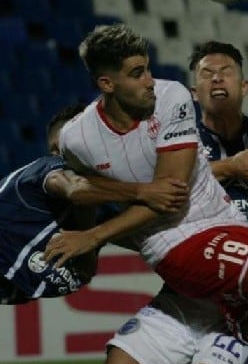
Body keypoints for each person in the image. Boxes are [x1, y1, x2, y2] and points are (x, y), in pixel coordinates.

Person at [43, 24, 248, 364]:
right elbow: (83, 196)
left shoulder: (172, 97)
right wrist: (88, 244)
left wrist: (93, 235)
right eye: (137, 73)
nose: (150, 80)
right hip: (174, 257)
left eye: (148, 68)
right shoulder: (76, 140)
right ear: (107, 83)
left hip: (211, 228)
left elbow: (169, 198)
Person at [1, 104, 188, 305]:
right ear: (58, 147)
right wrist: (144, 191)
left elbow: (84, 273)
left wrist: (89, 227)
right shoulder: (47, 169)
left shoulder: (99, 205)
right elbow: (76, 189)